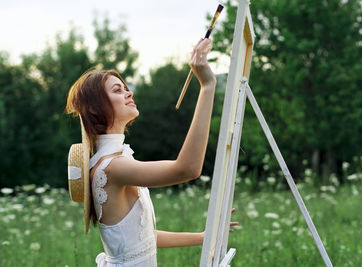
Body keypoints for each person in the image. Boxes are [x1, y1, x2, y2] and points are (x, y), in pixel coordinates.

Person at [65, 38, 238, 266]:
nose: (128, 93)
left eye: (126, 88)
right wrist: (207, 86)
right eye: (118, 90)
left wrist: (204, 238)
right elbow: (187, 168)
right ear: (95, 108)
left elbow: (143, 239)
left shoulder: (115, 160)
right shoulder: (113, 167)